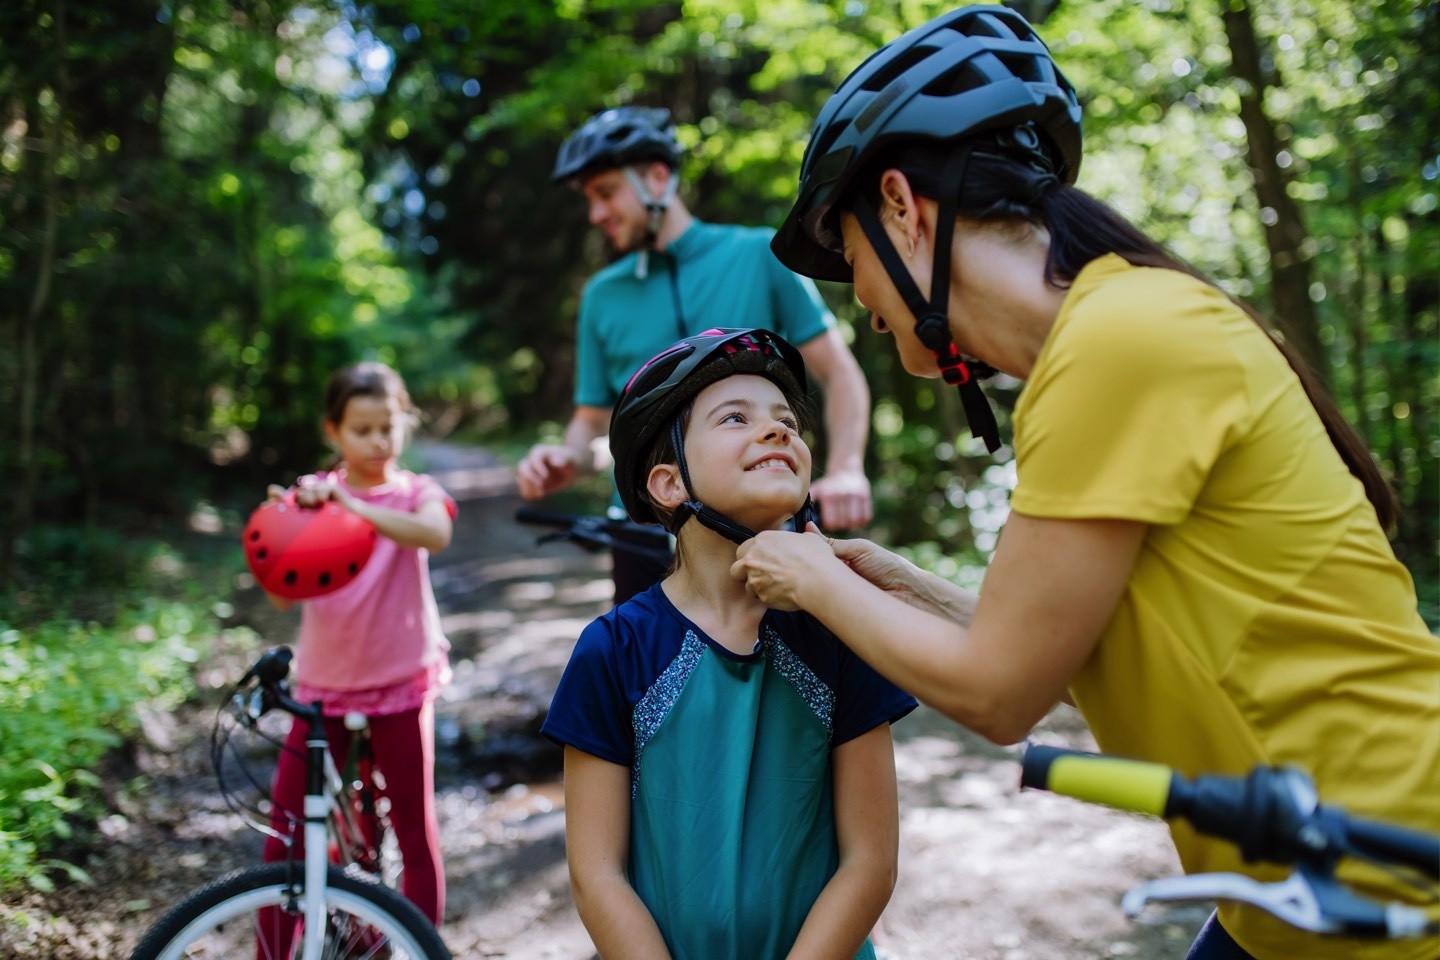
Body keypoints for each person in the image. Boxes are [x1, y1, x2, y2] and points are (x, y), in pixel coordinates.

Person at [730, 7, 1440, 960]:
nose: (859, 303)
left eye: (850, 259)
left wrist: (810, 579)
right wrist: (897, 585)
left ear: (902, 207)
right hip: (1286, 894)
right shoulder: (1107, 341)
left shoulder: (1120, 343)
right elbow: (1062, 668)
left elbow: (1003, 696)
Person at [541, 328, 916, 959]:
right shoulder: (614, 649)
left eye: (787, 421)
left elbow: (870, 862)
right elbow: (596, 874)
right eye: (735, 418)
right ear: (669, 484)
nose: (777, 432)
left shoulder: (843, 627)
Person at [517, 106, 876, 604]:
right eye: (590, 200)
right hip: (644, 535)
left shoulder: (759, 256)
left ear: (658, 179)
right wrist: (568, 457)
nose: (596, 214)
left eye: (605, 193)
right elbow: (594, 424)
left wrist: (847, 468)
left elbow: (841, 375)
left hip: (766, 527)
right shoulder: (602, 296)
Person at [255, 361, 455, 949]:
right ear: (333, 432)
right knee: (285, 838)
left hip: (401, 683)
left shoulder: (417, 492)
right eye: (361, 430)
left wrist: (350, 502)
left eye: (387, 427)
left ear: (404, 425)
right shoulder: (312, 498)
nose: (377, 442)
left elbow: (433, 535)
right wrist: (281, 525)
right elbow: (277, 593)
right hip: (323, 689)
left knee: (414, 834)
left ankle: (417, 946)